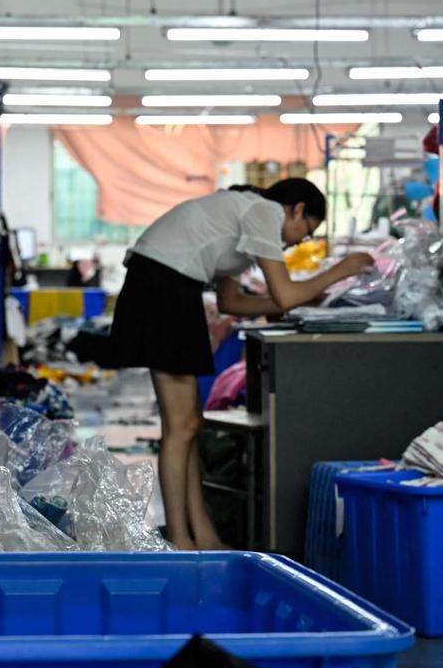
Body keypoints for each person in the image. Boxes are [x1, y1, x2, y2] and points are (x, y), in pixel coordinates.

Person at [109, 179, 374, 550]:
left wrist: (298, 302)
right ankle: (181, 540)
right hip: (164, 286)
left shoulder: (244, 217)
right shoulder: (264, 212)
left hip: (166, 285)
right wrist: (340, 270)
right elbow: (283, 292)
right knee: (180, 426)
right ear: (295, 209)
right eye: (306, 230)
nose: (300, 241)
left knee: (189, 425)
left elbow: (232, 302)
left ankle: (201, 534)